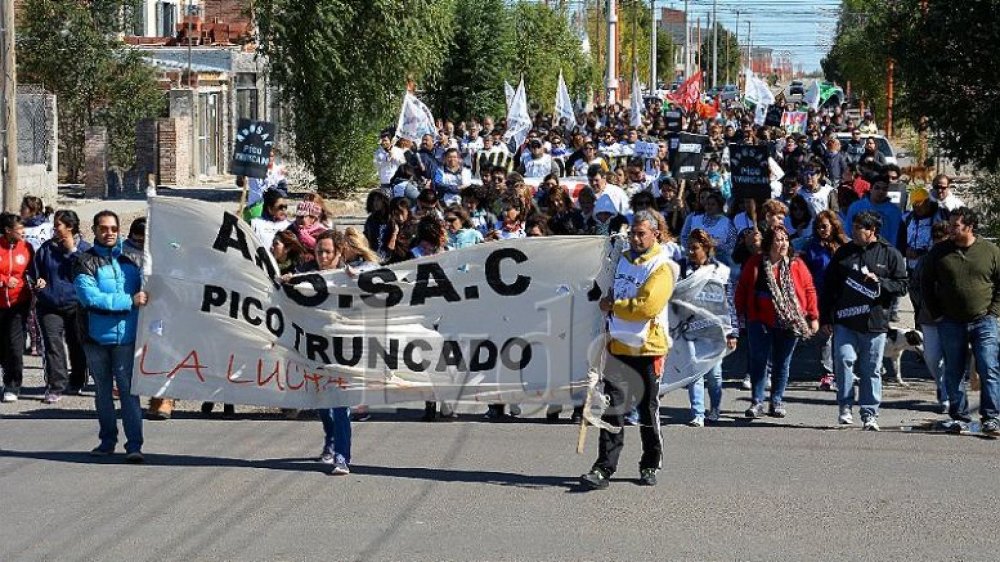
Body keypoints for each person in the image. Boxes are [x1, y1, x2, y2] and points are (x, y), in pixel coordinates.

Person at [580, 210, 676, 490]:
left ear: (655, 234)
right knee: (612, 409)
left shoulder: (662, 266)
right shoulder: (622, 260)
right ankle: (603, 467)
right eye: (632, 233)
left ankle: (649, 463)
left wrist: (614, 306)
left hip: (649, 348)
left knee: (648, 410)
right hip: (618, 345)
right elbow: (608, 292)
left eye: (641, 234)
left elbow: (647, 306)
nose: (634, 238)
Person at [821, 211, 907, 430]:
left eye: (860, 227)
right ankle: (845, 407)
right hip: (846, 321)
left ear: (872, 231)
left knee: (871, 369)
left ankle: (869, 413)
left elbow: (902, 286)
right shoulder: (844, 253)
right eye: (854, 226)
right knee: (843, 361)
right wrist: (825, 317)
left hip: (875, 323)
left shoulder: (890, 254)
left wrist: (881, 282)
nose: (854, 231)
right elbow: (829, 287)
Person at [920, 208, 1000, 436]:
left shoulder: (990, 251)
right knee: (954, 371)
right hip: (950, 321)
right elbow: (926, 284)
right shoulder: (940, 252)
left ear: (969, 226)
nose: (950, 229)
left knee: (988, 367)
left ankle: (991, 418)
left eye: (955, 225)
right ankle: (960, 416)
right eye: (950, 224)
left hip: (984, 321)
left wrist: (993, 312)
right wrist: (937, 314)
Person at [74, 211, 147, 462]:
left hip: (126, 338)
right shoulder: (84, 261)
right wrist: (129, 300)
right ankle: (107, 441)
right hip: (95, 338)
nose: (109, 233)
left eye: (113, 228)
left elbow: (149, 290)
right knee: (103, 392)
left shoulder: (131, 261)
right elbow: (89, 297)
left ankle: (134, 445)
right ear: (94, 230)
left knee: (129, 392)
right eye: (104, 228)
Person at [283, 230, 351, 474]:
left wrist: (356, 279)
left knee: (342, 403)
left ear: (339, 253)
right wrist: (287, 282)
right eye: (319, 251)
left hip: (343, 351)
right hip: (315, 349)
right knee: (323, 403)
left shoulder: (350, 276)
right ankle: (330, 441)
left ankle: (342, 456)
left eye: (328, 251)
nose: (322, 256)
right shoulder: (308, 276)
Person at [735, 225, 819, 419]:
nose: (782, 243)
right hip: (759, 318)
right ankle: (757, 401)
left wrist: (813, 316)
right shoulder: (755, 263)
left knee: (782, 362)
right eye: (778, 239)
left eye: (785, 239)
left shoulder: (796, 264)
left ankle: (777, 400)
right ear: (769, 242)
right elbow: (743, 288)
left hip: (790, 320)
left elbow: (809, 289)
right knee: (759, 360)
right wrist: (738, 315)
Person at [31, 210, 92, 403]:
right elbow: (35, 272)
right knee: (52, 345)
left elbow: (89, 271)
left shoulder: (84, 249)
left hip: (76, 305)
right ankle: (56, 385)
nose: (54, 228)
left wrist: (72, 251)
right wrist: (38, 282)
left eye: (57, 225)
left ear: (70, 227)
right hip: (49, 304)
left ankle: (77, 381)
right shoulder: (47, 249)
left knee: (76, 344)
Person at [679, 230, 738, 426]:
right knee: (695, 372)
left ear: (706, 248)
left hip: (714, 332)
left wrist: (732, 332)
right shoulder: (682, 270)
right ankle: (698, 414)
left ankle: (714, 408)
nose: (690, 251)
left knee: (714, 375)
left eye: (695, 248)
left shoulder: (720, 271)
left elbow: (729, 303)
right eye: (689, 247)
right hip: (690, 331)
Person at [798, 210, 850, 391]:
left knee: (843, 336)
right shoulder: (811, 246)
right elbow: (804, 273)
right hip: (819, 296)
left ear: (834, 226)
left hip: (842, 296)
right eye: (818, 227)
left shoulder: (845, 245)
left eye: (825, 226)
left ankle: (844, 372)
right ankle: (827, 374)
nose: (822, 230)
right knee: (825, 336)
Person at [910, 221, 951, 414]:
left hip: (954, 317)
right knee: (933, 357)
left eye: (942, 238)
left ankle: (947, 395)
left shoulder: (956, 257)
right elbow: (915, 286)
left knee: (952, 358)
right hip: (929, 316)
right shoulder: (925, 260)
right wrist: (922, 304)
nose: (938, 243)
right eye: (936, 239)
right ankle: (941, 385)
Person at [0, 213, 35, 403]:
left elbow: (34, 270)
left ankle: (12, 385)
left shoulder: (27, 247)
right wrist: (4, 281)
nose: (23, 232)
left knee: (14, 347)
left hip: (18, 305)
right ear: (7, 230)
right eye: (19, 229)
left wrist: (39, 281)